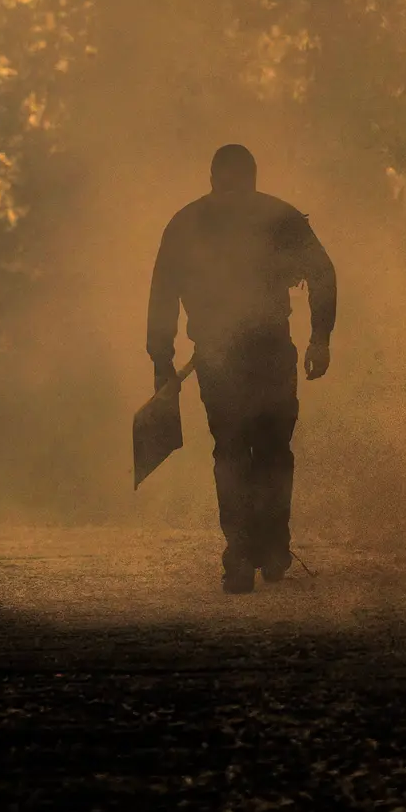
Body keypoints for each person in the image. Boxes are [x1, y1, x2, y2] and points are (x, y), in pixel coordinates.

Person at [146, 144, 336, 593]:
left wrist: (163, 362)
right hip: (262, 352)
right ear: (251, 178)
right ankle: (266, 551)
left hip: (224, 357)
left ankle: (244, 555)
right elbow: (322, 274)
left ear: (214, 178)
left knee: (234, 450)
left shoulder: (187, 222)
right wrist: (319, 338)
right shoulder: (278, 216)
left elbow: (163, 295)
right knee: (268, 451)